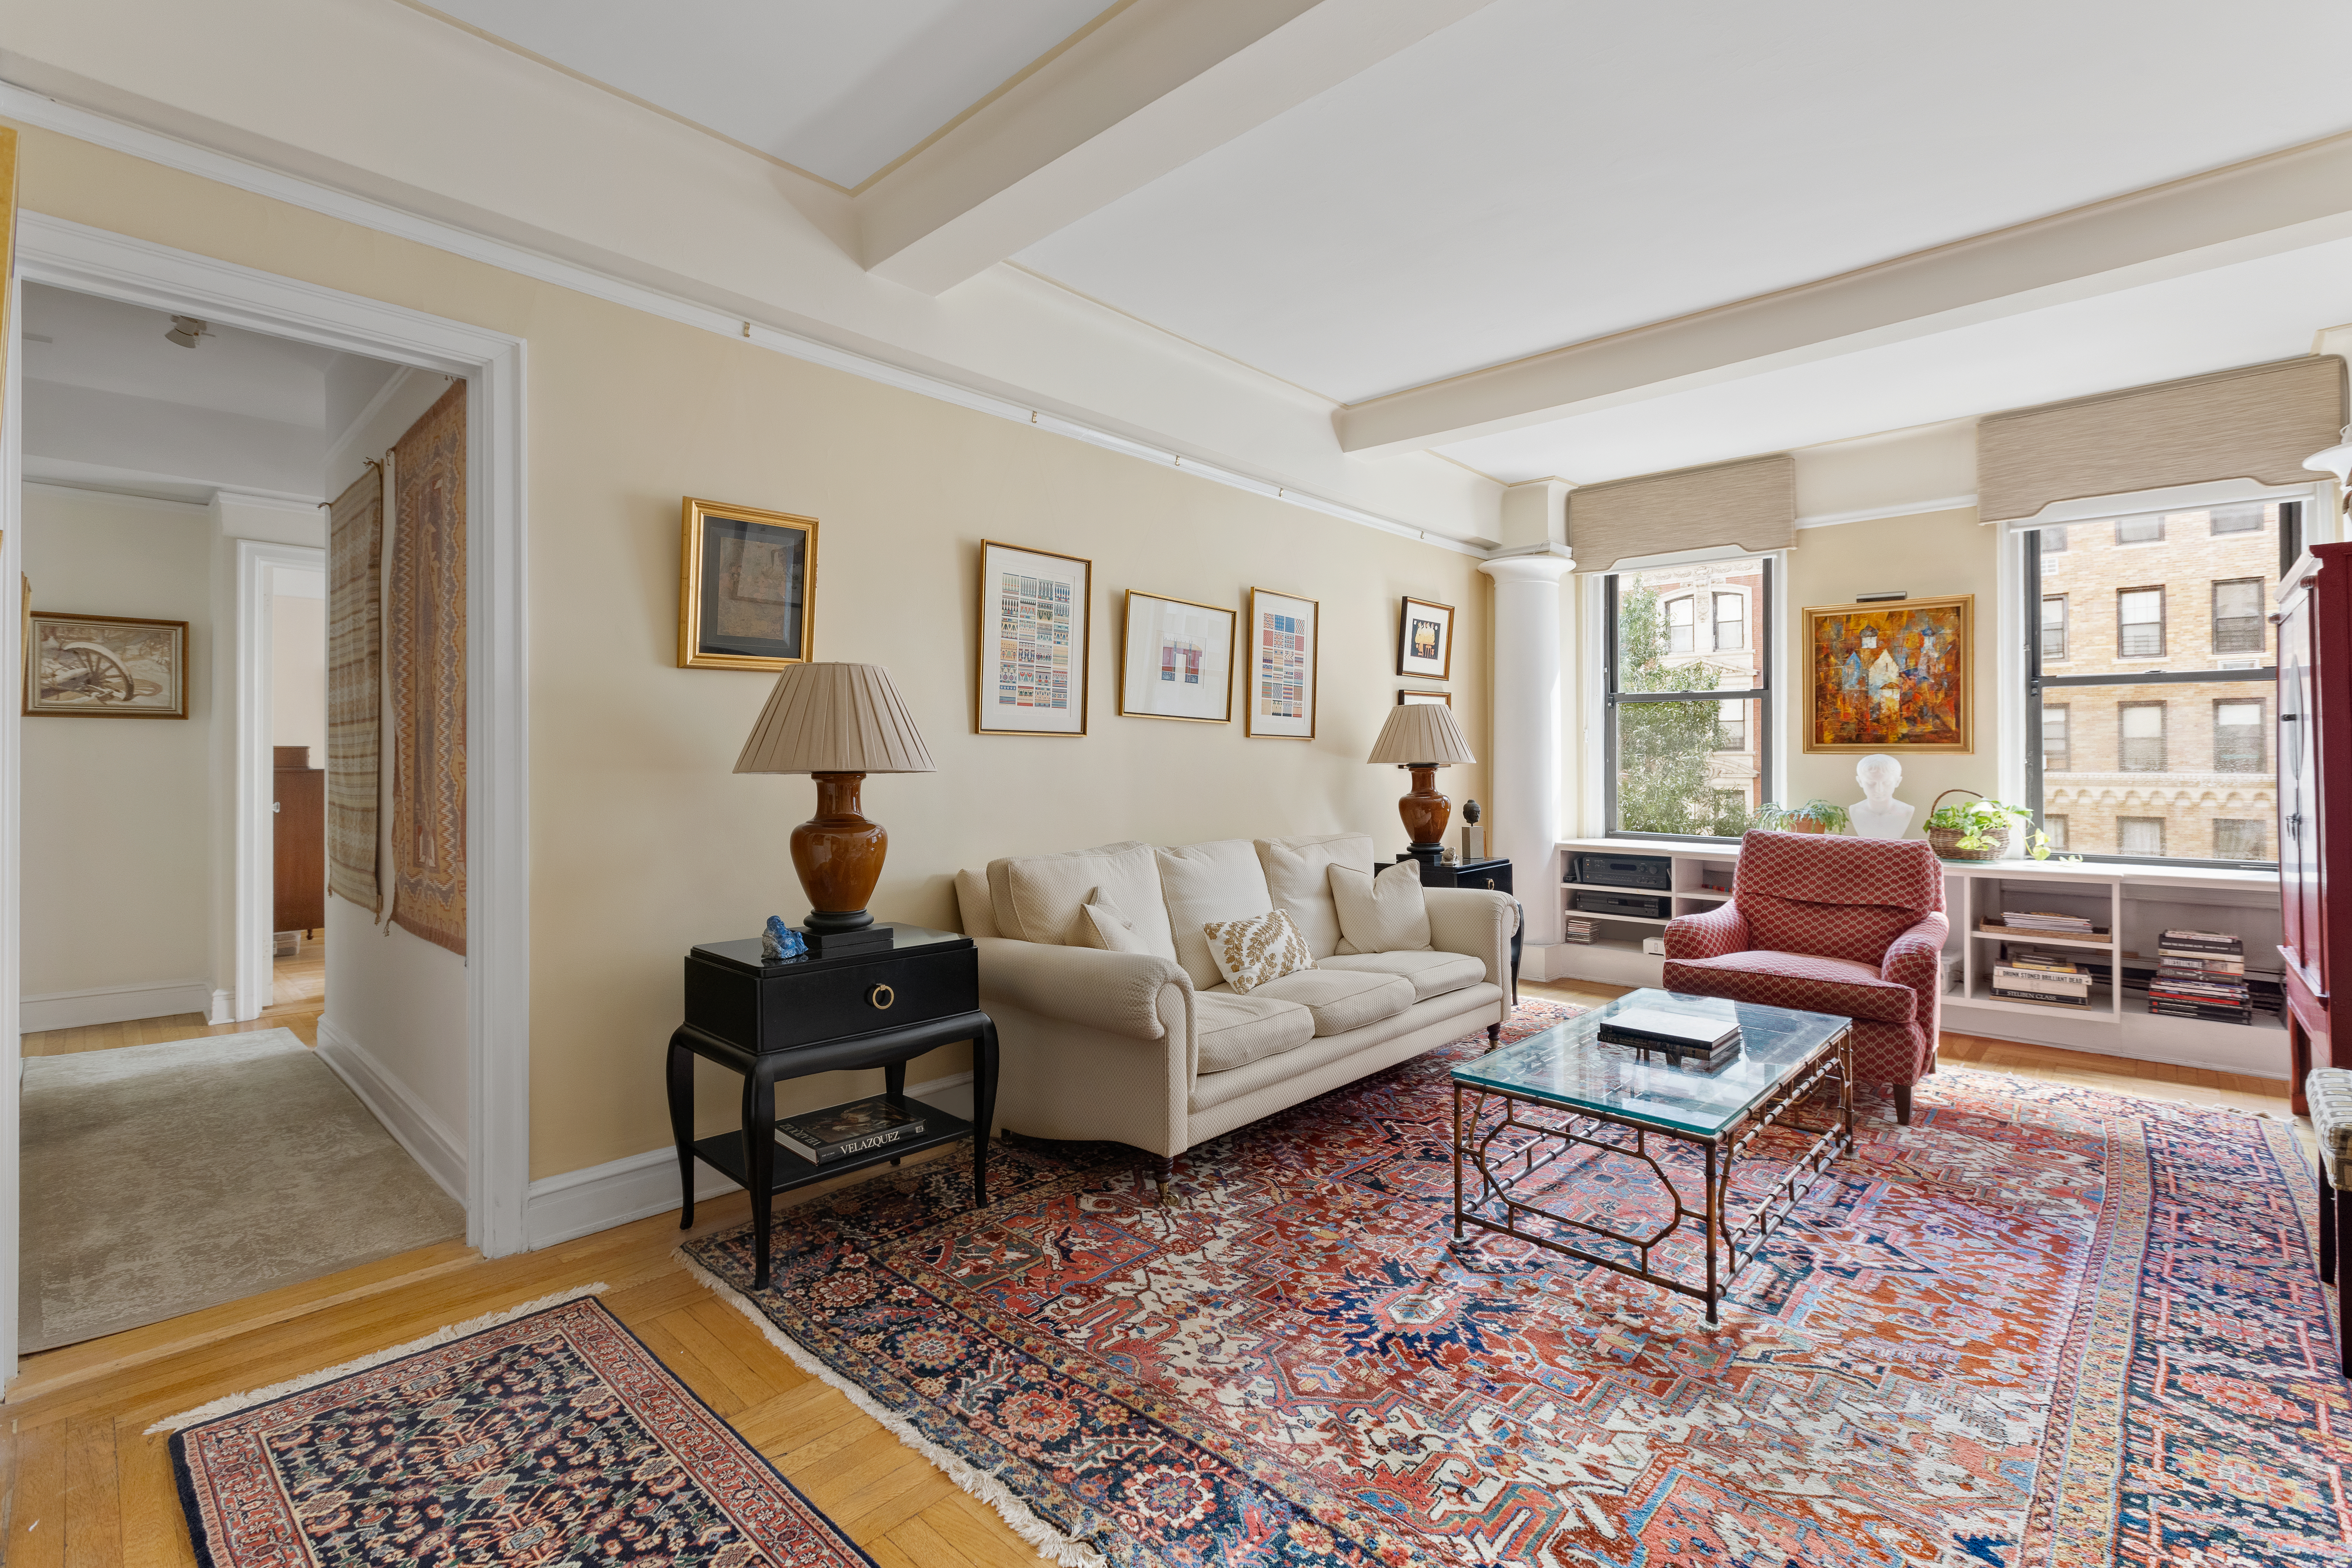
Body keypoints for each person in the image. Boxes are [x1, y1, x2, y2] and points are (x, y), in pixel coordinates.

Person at [1849, 753, 1913, 839]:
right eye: (1871, 783)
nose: (1879, 790)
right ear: (1860, 782)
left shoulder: (1907, 811)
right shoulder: (1855, 810)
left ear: (1898, 782)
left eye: (1887, 783)